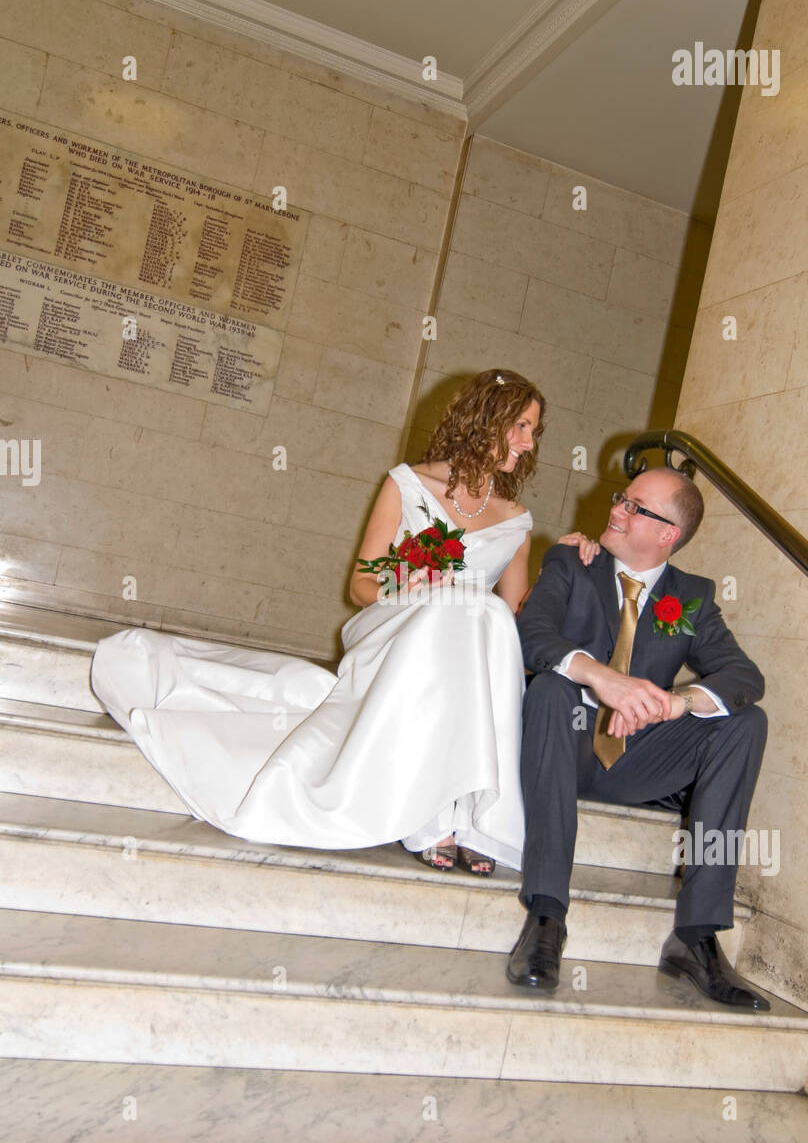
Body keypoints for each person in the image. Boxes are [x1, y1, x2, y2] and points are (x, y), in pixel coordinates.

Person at [90, 368, 564, 875]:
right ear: (485, 419)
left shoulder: (516, 520)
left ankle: (470, 813)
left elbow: (515, 618)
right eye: (521, 426)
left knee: (482, 612)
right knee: (459, 611)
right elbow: (360, 588)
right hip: (396, 629)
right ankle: (430, 815)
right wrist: (408, 583)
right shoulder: (407, 484)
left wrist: (567, 568)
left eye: (533, 432)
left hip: (471, 646)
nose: (527, 443)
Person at [507, 465, 770, 1009]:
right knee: (554, 689)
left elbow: (744, 677)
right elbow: (530, 634)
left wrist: (672, 704)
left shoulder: (689, 598)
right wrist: (605, 680)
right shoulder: (572, 561)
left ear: (667, 534)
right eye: (620, 499)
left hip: (634, 761)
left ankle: (696, 936)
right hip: (563, 743)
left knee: (746, 721)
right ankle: (547, 916)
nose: (615, 510)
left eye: (634, 507)